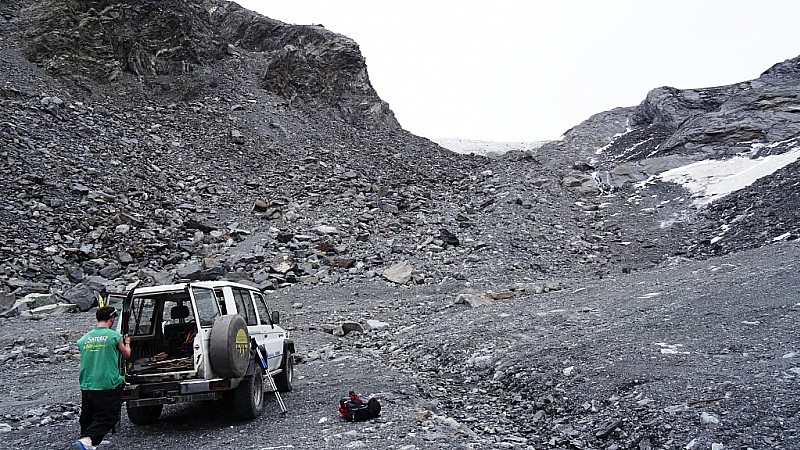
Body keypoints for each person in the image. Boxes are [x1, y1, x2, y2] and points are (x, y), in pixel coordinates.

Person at [73, 306, 131, 450]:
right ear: (111, 318)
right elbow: (126, 355)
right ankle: (88, 441)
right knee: (108, 417)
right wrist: (128, 343)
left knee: (88, 416)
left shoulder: (84, 339)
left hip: (87, 383)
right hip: (107, 383)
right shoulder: (114, 336)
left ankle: (87, 442)